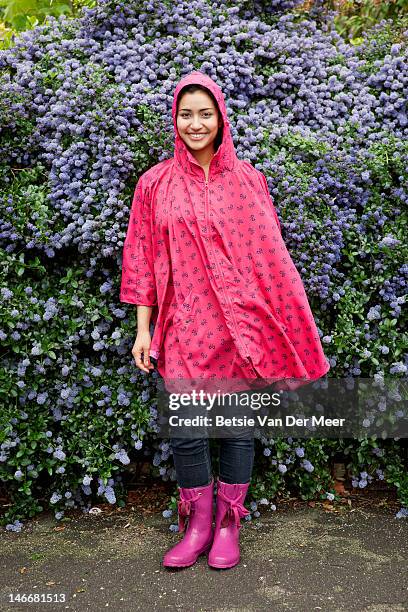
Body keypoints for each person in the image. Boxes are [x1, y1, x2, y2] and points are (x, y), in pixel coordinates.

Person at [120, 70, 330, 570]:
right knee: (189, 431)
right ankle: (197, 525)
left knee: (236, 428)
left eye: (205, 114)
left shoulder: (248, 180)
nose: (196, 124)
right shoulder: (155, 184)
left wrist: (287, 325)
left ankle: (229, 525)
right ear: (175, 119)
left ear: (221, 119)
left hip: (240, 328)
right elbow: (143, 257)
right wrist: (143, 330)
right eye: (186, 114)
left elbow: (270, 257)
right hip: (183, 327)